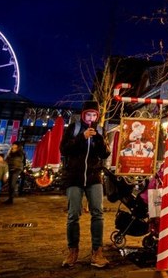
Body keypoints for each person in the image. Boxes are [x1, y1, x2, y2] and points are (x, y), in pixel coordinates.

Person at [59, 99, 110, 268]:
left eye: (94, 115)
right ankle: (72, 250)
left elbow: (105, 154)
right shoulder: (74, 128)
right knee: (73, 214)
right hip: (74, 177)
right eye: (88, 114)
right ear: (83, 115)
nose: (91, 118)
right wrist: (82, 137)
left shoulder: (100, 130)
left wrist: (100, 139)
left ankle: (97, 251)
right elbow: (64, 149)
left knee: (98, 213)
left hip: (94, 177)